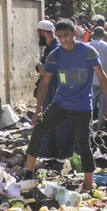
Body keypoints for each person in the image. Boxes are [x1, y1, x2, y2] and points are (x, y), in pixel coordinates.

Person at [23, 19, 107, 192]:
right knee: (38, 130)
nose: (63, 40)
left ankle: (88, 182)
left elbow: (102, 77)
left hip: (82, 107)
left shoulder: (88, 52)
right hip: (60, 103)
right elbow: (45, 83)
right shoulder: (55, 55)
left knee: (83, 142)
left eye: (66, 35)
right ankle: (28, 174)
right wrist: (38, 110)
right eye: (59, 36)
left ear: (74, 34)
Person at [36, 20, 75, 164]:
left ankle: (61, 154)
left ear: (42, 32)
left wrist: (42, 69)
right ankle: (51, 153)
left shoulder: (55, 49)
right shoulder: (51, 48)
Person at [90, 27, 107, 130]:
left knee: (90, 105)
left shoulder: (88, 46)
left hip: (91, 80)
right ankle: (100, 128)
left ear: (94, 35)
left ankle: (88, 127)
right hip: (104, 82)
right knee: (103, 105)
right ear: (103, 35)